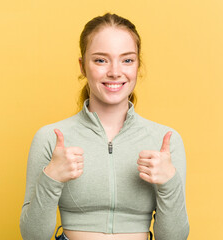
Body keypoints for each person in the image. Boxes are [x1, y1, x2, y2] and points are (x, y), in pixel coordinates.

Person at [20, 13, 189, 240]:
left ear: (138, 65)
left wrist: (170, 183)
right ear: (82, 66)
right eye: (101, 60)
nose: (115, 72)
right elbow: (33, 237)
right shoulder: (50, 138)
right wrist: (51, 178)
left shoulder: (166, 141)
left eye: (127, 60)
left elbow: (175, 238)